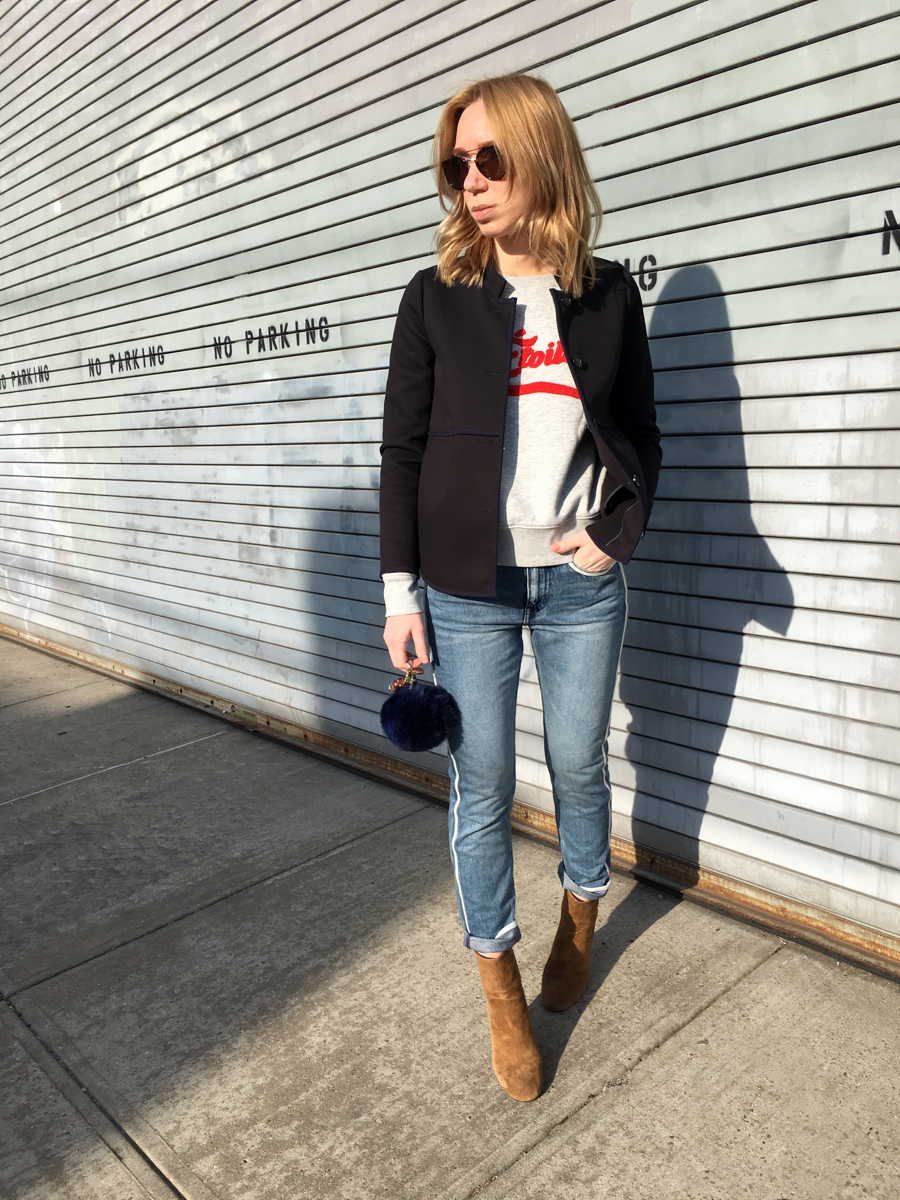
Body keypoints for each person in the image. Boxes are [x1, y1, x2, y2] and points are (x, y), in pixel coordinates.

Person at [379, 73, 661, 1102]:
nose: (471, 181)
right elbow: (401, 452)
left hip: (581, 585)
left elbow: (643, 437)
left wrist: (616, 535)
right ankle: (498, 981)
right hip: (466, 588)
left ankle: (580, 912)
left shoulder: (607, 293)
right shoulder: (436, 298)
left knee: (581, 766)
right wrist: (399, 592)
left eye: (490, 158)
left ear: (542, 156)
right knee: (482, 784)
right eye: (456, 164)